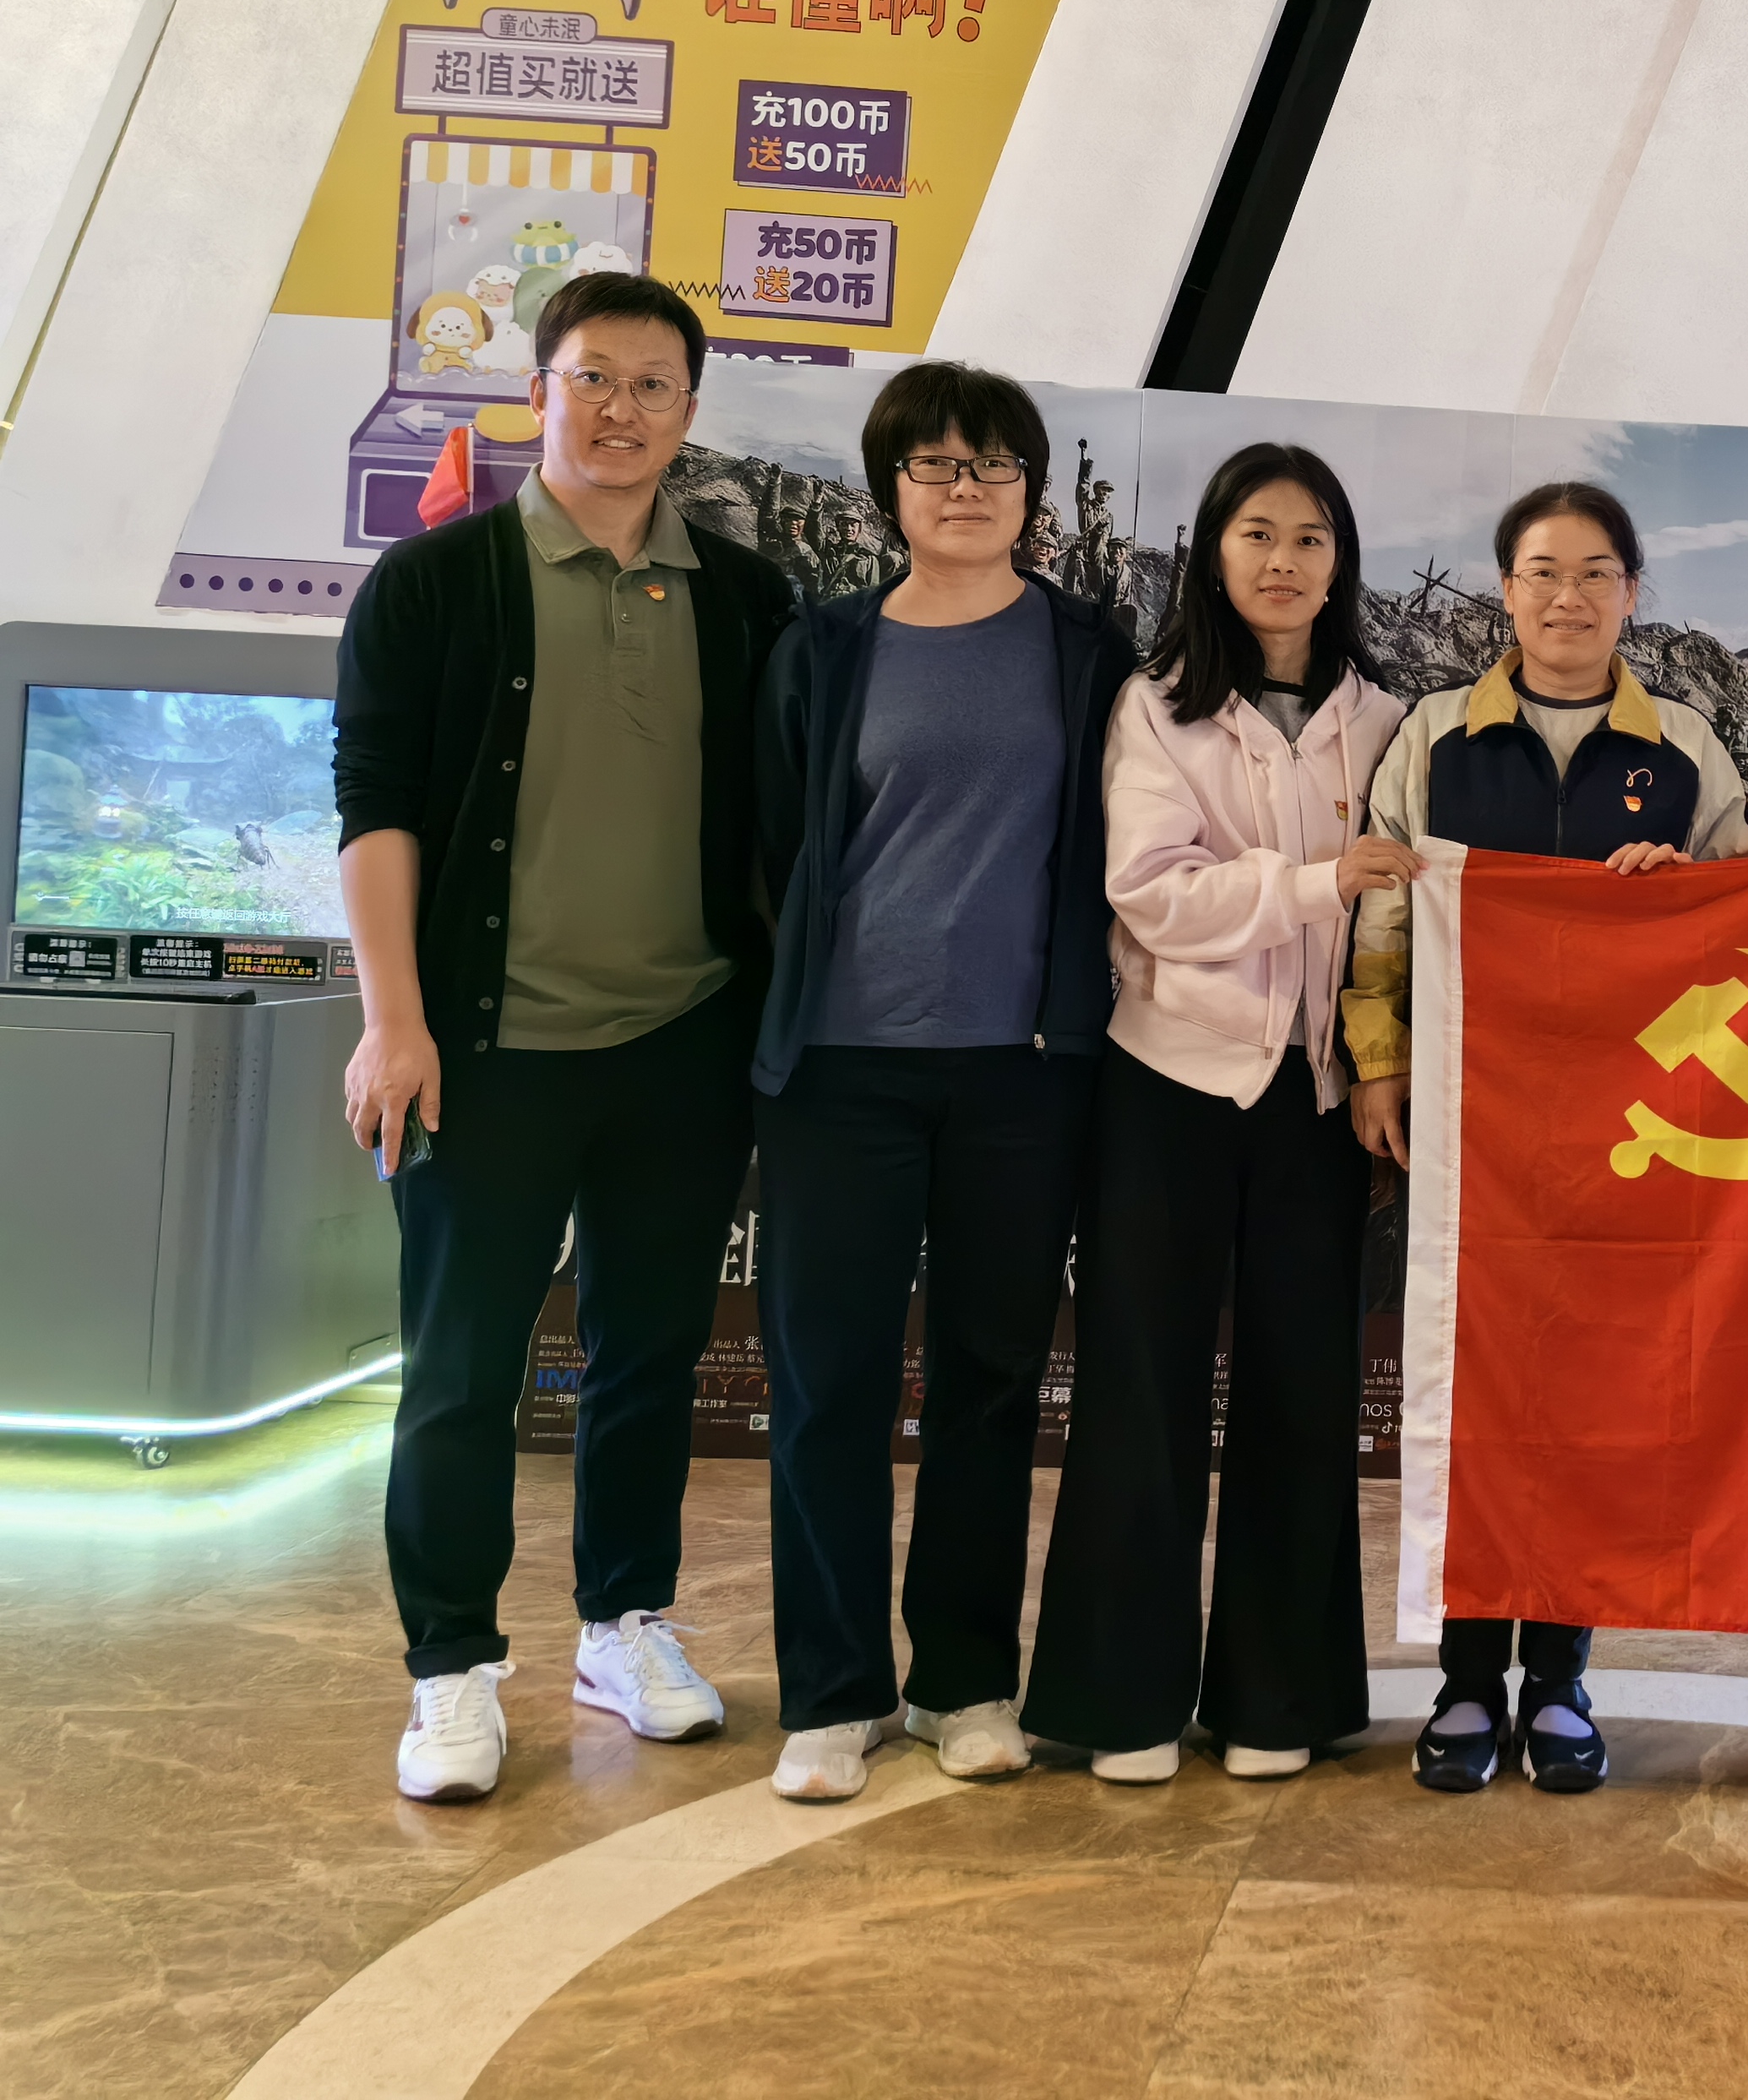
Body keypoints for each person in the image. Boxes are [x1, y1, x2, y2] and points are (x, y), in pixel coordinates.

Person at [334, 272, 800, 1803]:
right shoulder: (436, 583)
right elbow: (376, 807)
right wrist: (392, 1022)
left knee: (649, 1354)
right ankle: (452, 1665)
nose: (621, 409)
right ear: (537, 391)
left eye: (654, 385)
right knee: (461, 1370)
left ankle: (623, 1622)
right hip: (484, 1049)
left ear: (688, 412)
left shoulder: (744, 599)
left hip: (683, 1041)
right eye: (592, 377)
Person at [744, 363, 1126, 1804]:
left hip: (1022, 1074)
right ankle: (833, 1690)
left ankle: (963, 1679)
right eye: (936, 465)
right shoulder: (826, 646)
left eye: (994, 466)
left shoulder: (1087, 649)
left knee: (989, 1383)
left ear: (1032, 492)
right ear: (890, 487)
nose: (965, 489)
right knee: (827, 1385)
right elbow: (771, 845)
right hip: (841, 1071)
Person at [1342, 480, 1748, 1797]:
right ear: (1505, 589)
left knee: (1588, 1399)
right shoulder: (1435, 735)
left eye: (1593, 573)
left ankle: (1563, 1677)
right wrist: (1380, 1058)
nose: (1566, 597)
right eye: (1540, 571)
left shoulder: (1683, 743)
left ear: (1631, 591)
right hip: (1471, 1118)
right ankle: (1468, 1679)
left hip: (1630, 1131)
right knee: (1471, 1390)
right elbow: (1387, 908)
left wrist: (1684, 887)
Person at [1022, 444, 1410, 1788]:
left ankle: (1277, 1699)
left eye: (1311, 538)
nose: (1283, 561)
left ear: (1340, 563)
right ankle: (1121, 1701)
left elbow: (1403, 913)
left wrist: (1377, 1061)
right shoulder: (1158, 706)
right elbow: (1151, 892)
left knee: (1304, 1396)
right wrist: (1311, 883)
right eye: (1257, 534)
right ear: (1212, 552)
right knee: (1142, 1387)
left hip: (1317, 1098)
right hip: (1169, 1082)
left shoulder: (1386, 720)